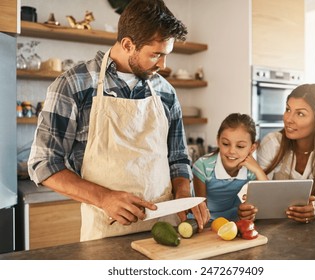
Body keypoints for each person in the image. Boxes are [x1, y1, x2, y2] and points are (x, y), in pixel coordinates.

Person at [27, 0, 209, 241]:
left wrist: (184, 192)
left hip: (165, 228)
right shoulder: (75, 84)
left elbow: (178, 158)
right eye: (156, 54)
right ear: (127, 44)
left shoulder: (165, 92)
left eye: (166, 55)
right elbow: (43, 163)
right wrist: (104, 198)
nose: (163, 65)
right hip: (106, 230)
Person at [238, 84, 315, 223]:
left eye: (300, 113)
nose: (288, 119)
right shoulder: (272, 142)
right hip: (277, 227)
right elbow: (261, 194)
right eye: (288, 109)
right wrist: (250, 209)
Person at [192, 113, 268, 222]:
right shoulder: (203, 166)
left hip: (232, 218)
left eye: (240, 146)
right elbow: (201, 207)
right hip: (204, 218)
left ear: (252, 148)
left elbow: (267, 196)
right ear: (218, 141)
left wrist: (258, 170)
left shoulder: (250, 169)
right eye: (226, 144)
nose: (232, 151)